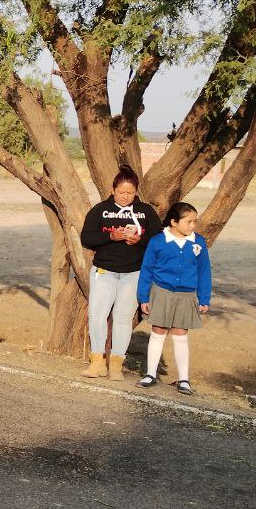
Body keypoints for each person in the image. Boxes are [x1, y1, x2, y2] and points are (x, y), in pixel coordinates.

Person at [79, 165, 162, 380]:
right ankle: (97, 362)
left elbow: (158, 242)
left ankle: (116, 364)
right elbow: (86, 238)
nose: (125, 197)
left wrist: (139, 240)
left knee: (123, 318)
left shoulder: (146, 212)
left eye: (130, 193)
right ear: (113, 189)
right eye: (121, 192)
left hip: (133, 273)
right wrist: (111, 237)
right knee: (97, 316)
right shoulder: (100, 210)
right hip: (104, 271)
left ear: (136, 192)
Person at [135, 202, 212, 395]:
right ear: (174, 222)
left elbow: (204, 272)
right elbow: (147, 270)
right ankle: (150, 374)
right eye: (189, 221)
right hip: (161, 292)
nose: (193, 225)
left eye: (195, 221)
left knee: (180, 334)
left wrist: (204, 298)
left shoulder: (198, 242)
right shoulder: (158, 241)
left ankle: (184, 379)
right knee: (158, 331)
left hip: (186, 295)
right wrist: (143, 297)